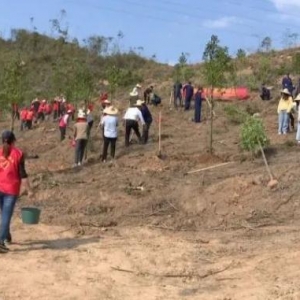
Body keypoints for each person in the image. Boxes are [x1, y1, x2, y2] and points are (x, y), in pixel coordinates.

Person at [0, 130, 32, 253]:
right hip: (11, 190)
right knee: (6, 216)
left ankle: (6, 236)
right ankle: (0, 241)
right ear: (14, 140)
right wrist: (29, 190)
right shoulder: (18, 154)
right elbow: (23, 174)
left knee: (4, 214)